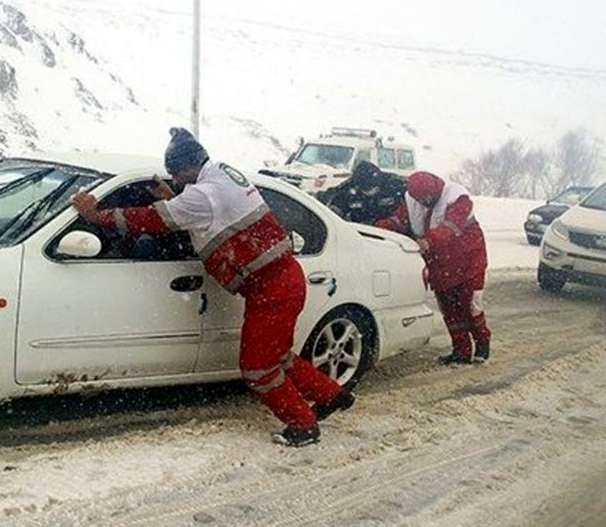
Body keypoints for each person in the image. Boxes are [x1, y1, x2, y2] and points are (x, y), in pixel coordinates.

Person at [70, 128, 354, 447]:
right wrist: (173, 194)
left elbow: (152, 219)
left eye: (176, 173)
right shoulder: (219, 174)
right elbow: (207, 209)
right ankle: (331, 395)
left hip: (271, 289)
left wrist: (97, 215)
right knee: (279, 356)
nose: (175, 179)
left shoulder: (200, 195)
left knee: (257, 367)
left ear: (190, 167)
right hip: (281, 279)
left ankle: (303, 424)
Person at [376, 172, 491, 364]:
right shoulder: (412, 201)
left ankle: (482, 341)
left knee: (470, 305)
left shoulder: (457, 198)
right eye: (421, 199)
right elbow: (399, 220)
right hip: (440, 262)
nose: (425, 202)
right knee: (449, 308)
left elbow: (451, 227)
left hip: (468, 260)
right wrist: (381, 227)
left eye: (428, 198)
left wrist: (428, 241)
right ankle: (461, 350)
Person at [326, 160, 407, 224]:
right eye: (366, 188)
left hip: (392, 231)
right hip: (360, 231)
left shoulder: (395, 183)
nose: (371, 190)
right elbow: (332, 213)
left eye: (373, 186)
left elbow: (411, 204)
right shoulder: (348, 189)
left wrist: (396, 221)